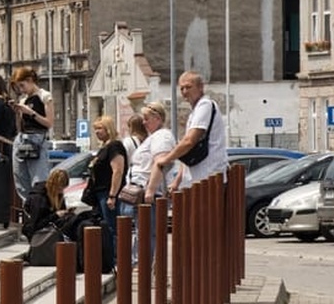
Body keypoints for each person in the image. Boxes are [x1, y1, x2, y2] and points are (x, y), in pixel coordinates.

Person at [151, 70, 228, 186]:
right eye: (182, 88)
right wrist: (177, 181)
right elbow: (188, 150)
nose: (184, 92)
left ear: (200, 87)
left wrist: (166, 159)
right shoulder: (195, 111)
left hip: (209, 177)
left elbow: (189, 141)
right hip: (198, 179)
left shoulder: (205, 105)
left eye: (188, 87)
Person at [125, 102, 176, 263]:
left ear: (158, 119)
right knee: (143, 232)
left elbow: (160, 162)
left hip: (149, 193)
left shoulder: (162, 136)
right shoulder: (155, 137)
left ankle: (146, 266)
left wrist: (150, 190)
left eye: (147, 119)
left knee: (148, 232)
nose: (144, 122)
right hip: (142, 191)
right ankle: (144, 265)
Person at [86, 115, 127, 273]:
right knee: (106, 227)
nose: (97, 131)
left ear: (109, 129)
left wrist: (112, 195)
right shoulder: (104, 147)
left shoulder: (114, 146)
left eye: (100, 128)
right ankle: (110, 258)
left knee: (113, 228)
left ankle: (117, 260)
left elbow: (117, 171)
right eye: (95, 128)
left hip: (108, 193)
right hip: (100, 193)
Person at [10, 67, 54, 202]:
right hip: (22, 138)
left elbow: (49, 122)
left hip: (37, 138)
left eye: (22, 86)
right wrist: (18, 111)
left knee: (38, 179)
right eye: (19, 88)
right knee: (21, 179)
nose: (22, 90)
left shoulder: (44, 96)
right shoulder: (24, 100)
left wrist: (31, 113)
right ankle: (28, 208)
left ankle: (39, 210)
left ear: (30, 80)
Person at [22, 169, 70, 240]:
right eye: (60, 188)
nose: (61, 191)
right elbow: (36, 225)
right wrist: (56, 215)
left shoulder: (58, 195)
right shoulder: (39, 198)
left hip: (51, 229)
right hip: (40, 233)